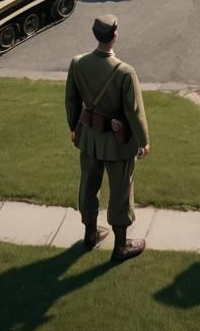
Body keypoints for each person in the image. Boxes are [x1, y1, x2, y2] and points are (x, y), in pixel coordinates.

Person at [65, 13, 150, 262]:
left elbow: (71, 100)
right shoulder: (125, 72)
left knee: (88, 186)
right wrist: (143, 141)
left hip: (89, 137)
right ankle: (121, 246)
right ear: (115, 36)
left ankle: (90, 235)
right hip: (118, 143)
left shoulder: (78, 63)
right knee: (121, 190)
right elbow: (134, 112)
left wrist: (74, 127)